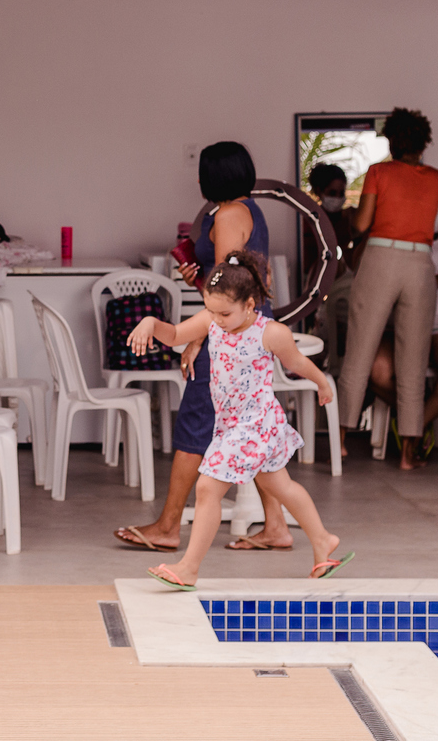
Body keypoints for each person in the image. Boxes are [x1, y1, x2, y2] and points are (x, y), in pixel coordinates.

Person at [127, 252, 354, 589]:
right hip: (231, 425)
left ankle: (189, 567)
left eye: (225, 313)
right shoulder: (211, 320)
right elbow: (174, 335)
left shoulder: (270, 332)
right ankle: (323, 541)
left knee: (207, 487)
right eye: (211, 310)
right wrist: (150, 322)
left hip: (257, 424)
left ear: (250, 305)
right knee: (281, 487)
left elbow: (297, 363)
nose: (216, 320)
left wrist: (322, 382)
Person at [112, 141, 292, 554]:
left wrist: (196, 338)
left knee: (195, 424)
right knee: (246, 426)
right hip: (247, 333)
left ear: (213, 177)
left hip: (228, 338)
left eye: (202, 173)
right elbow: (234, 283)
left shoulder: (228, 214)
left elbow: (226, 291)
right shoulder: (253, 212)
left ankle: (168, 526)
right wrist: (197, 276)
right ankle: (276, 526)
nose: (197, 180)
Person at [337, 107, 438, 470]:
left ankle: (341, 441)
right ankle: (409, 454)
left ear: (391, 140)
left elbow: (363, 224)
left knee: (359, 349)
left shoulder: (379, 172)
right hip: (420, 263)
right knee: (413, 357)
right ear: (424, 143)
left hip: (380, 259)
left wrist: (357, 216)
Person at [369, 229, 438, 456]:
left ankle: (417, 425)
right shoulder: (384, 235)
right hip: (396, 322)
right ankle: (413, 420)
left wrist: (432, 279)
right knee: (374, 369)